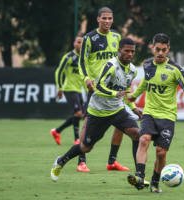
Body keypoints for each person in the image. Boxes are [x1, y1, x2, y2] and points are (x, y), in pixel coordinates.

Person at [50, 37, 144, 182]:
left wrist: (133, 107)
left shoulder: (132, 70)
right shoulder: (111, 65)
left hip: (117, 110)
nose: (130, 54)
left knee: (137, 134)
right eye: (127, 51)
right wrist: (114, 94)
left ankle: (139, 176)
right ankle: (61, 161)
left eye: (132, 51)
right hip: (98, 112)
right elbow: (97, 87)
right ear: (119, 51)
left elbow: (125, 91)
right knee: (86, 147)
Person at [127, 33, 184, 193]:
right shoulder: (147, 65)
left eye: (163, 50)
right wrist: (133, 96)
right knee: (143, 140)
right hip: (149, 113)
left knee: (160, 153)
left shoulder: (175, 69)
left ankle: (155, 182)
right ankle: (139, 176)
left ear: (168, 49)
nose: (160, 53)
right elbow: (145, 84)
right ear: (152, 48)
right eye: (157, 49)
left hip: (167, 117)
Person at [78, 7, 131, 171]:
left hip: (115, 86)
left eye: (110, 18)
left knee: (120, 123)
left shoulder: (116, 36)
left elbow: (121, 59)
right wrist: (86, 78)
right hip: (97, 87)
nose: (107, 21)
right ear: (98, 19)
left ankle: (112, 161)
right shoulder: (89, 38)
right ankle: (81, 161)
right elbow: (82, 62)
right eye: (104, 18)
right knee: (88, 122)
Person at [50, 35, 84, 146]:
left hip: (78, 90)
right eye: (78, 42)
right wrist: (60, 87)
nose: (79, 44)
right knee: (78, 113)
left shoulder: (84, 58)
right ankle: (77, 139)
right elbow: (59, 72)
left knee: (79, 114)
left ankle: (57, 131)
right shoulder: (69, 57)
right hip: (69, 88)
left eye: (81, 42)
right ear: (74, 44)